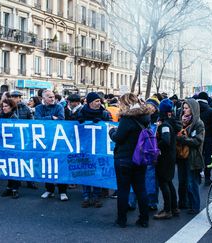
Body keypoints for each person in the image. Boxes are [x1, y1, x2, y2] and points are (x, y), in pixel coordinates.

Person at [109, 93, 151, 228]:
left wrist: (111, 132)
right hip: (140, 158)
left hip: (124, 159)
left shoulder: (127, 119)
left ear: (126, 103)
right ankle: (144, 219)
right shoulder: (145, 117)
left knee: (123, 190)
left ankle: (121, 220)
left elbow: (119, 138)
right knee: (141, 189)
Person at [77, 92, 112, 208]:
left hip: (99, 147)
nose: (99, 103)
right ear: (90, 102)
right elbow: (73, 125)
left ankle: (97, 197)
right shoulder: (82, 112)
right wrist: (79, 120)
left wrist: (102, 121)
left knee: (97, 170)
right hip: (85, 146)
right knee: (86, 170)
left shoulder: (104, 113)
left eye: (99, 101)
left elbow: (110, 126)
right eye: (96, 101)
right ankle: (86, 196)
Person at [35, 90, 68, 201]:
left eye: (53, 96)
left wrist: (51, 119)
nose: (52, 98)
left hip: (58, 141)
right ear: (43, 98)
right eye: (49, 97)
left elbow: (61, 119)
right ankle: (49, 189)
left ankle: (63, 191)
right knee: (47, 165)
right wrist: (51, 118)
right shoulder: (39, 108)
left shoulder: (59, 107)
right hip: (44, 141)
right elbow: (37, 120)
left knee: (60, 165)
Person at [153, 99, 181, 219]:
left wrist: (155, 145)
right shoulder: (172, 122)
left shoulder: (164, 125)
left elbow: (166, 140)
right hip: (170, 156)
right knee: (169, 182)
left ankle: (167, 210)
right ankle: (174, 208)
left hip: (164, 157)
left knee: (164, 183)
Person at [176, 99, 205, 214]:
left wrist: (182, 139)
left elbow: (198, 141)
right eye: (184, 108)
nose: (185, 110)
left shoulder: (198, 123)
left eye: (187, 108)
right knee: (182, 181)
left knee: (192, 182)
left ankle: (195, 206)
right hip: (181, 155)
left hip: (193, 156)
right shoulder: (181, 121)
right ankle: (184, 203)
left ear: (193, 109)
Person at [9, 90, 37, 189]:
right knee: (15, 161)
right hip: (13, 139)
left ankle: (30, 181)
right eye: (12, 97)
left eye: (16, 97)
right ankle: (17, 181)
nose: (14, 98)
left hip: (25, 138)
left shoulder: (26, 108)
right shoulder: (9, 108)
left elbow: (32, 123)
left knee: (27, 160)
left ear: (20, 98)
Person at [0, 98, 21, 199]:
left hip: (13, 146)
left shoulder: (14, 117)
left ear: (11, 107)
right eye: (3, 106)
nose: (4, 108)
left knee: (14, 167)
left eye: (6, 106)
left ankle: (15, 188)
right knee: (8, 167)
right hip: (4, 145)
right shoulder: (1, 116)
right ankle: (9, 187)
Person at [196, 92, 212, 186]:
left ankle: (197, 175)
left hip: (196, 137)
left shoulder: (194, 109)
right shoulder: (211, 110)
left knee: (197, 155)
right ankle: (207, 177)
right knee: (208, 157)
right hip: (208, 138)